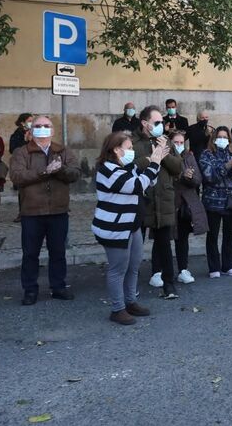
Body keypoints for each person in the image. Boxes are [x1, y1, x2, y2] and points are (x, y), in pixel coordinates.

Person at [92, 131, 166, 325]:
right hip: (115, 227)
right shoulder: (107, 169)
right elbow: (136, 185)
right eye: (129, 148)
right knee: (118, 269)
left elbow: (147, 181)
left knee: (133, 266)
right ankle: (117, 309)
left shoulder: (126, 167)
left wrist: (154, 163)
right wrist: (155, 163)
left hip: (131, 224)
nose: (132, 151)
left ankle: (130, 301)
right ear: (116, 150)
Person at [9, 116, 81, 306]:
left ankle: (58, 287)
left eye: (46, 126)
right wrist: (44, 172)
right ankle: (30, 290)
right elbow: (16, 176)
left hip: (58, 211)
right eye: (38, 126)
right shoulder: (21, 152)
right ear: (31, 131)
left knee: (58, 252)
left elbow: (75, 173)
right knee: (30, 253)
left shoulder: (62, 151)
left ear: (53, 130)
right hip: (32, 212)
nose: (42, 128)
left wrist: (60, 170)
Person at [133, 106, 183, 299]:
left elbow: (178, 167)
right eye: (156, 123)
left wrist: (164, 154)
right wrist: (151, 158)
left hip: (163, 199)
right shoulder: (133, 142)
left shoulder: (165, 140)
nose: (160, 125)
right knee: (135, 247)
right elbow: (131, 166)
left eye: (161, 122)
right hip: (142, 200)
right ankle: (131, 285)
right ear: (145, 123)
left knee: (164, 244)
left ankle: (169, 285)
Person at [199, 127, 232, 278]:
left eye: (225, 137)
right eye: (219, 136)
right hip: (213, 200)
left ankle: (228, 265)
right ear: (213, 138)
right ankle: (213, 268)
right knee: (212, 235)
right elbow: (210, 176)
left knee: (229, 235)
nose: (222, 139)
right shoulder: (207, 154)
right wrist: (226, 166)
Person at [169, 130, 207, 285]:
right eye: (176, 142)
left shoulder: (189, 156)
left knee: (182, 239)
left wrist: (190, 178)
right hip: (169, 203)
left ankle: (183, 269)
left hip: (185, 204)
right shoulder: (166, 157)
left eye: (181, 142)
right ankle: (157, 271)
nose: (179, 145)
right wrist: (181, 176)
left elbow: (198, 179)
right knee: (162, 239)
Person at [9, 113, 33, 223]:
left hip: (33, 165)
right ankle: (22, 212)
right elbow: (14, 150)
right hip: (22, 166)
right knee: (22, 190)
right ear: (22, 122)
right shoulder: (17, 134)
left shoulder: (35, 133)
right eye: (29, 120)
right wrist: (25, 140)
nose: (31, 123)